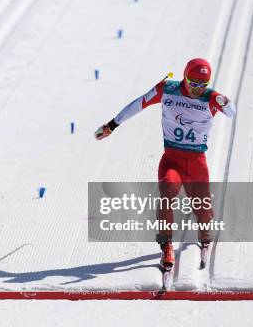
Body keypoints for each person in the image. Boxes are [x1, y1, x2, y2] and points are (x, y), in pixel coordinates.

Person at [94, 58, 236, 268]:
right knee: (167, 194)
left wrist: (226, 102)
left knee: (202, 209)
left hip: (197, 162)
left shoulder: (211, 97)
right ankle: (166, 245)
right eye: (192, 83)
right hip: (172, 159)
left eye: (202, 85)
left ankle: (205, 230)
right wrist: (112, 125)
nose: (197, 89)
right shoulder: (167, 89)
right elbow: (139, 103)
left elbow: (231, 113)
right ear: (184, 76)